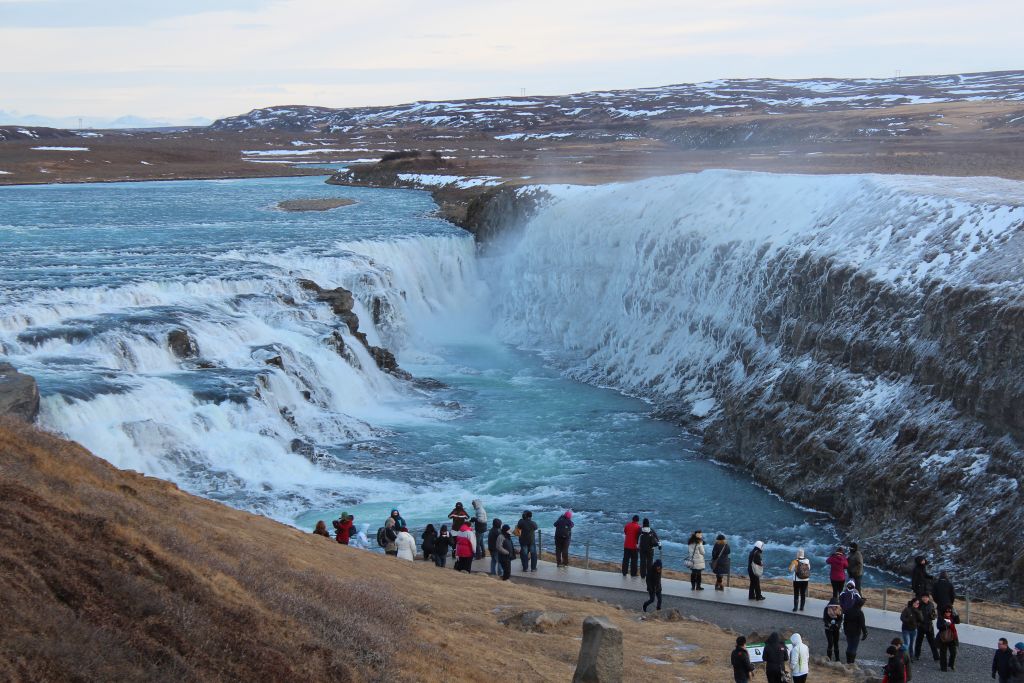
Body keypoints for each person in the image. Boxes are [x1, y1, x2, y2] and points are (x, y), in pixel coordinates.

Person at [843, 596, 868, 664]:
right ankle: (852, 662)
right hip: (856, 632)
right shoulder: (860, 613)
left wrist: (845, 630)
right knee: (854, 647)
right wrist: (865, 633)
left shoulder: (848, 610)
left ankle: (848, 661)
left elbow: (845, 622)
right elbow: (862, 624)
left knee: (849, 645)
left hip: (848, 631)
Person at [915, 592, 939, 661]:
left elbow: (934, 614)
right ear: (921, 598)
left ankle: (936, 657)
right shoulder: (919, 604)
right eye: (923, 597)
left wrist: (933, 616)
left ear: (928, 598)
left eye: (926, 597)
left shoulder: (931, 604)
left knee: (932, 642)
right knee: (918, 642)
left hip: (929, 626)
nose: (925, 598)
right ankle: (917, 655)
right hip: (921, 626)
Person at [936, 604, 960, 672]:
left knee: (953, 652)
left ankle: (951, 664)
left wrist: (956, 614)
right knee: (943, 653)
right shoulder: (940, 618)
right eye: (946, 611)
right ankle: (943, 667)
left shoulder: (952, 617)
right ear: (944, 612)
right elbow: (938, 627)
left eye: (949, 611)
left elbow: (958, 621)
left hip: (952, 637)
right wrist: (945, 625)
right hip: (943, 638)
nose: (948, 613)